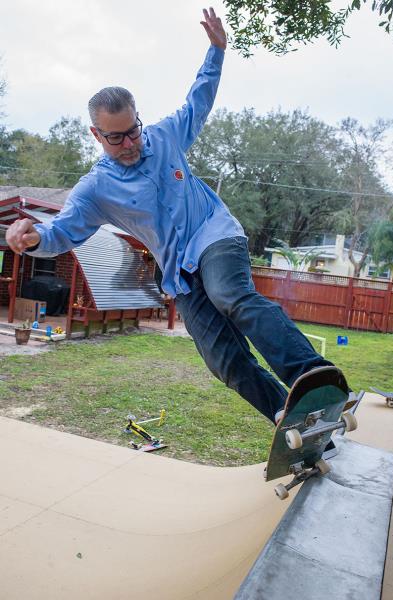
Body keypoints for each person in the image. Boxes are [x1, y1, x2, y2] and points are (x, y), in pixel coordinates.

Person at [6, 7, 338, 424]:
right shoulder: (95, 189)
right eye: (116, 137)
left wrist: (216, 51)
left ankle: (314, 377)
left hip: (215, 236)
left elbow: (197, 101)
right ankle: (294, 417)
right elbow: (63, 231)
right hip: (177, 272)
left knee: (229, 295)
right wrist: (34, 235)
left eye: (133, 130)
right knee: (224, 361)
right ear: (96, 134)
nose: (129, 143)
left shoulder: (163, 136)